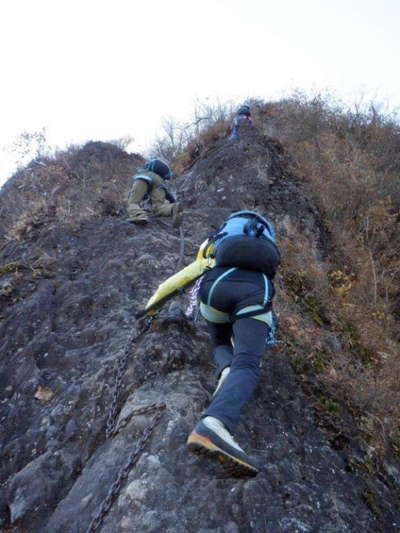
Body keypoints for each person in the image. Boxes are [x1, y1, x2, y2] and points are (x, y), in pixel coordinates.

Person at [138, 210, 281, 477]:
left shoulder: (215, 252)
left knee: (219, 341)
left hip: (214, 289)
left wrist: (150, 311)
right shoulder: (263, 256)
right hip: (254, 290)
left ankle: (225, 369)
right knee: (248, 363)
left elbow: (175, 282)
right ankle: (215, 424)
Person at [127, 158, 180, 224]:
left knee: (133, 202)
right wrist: (173, 201)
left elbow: (135, 195)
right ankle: (173, 208)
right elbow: (166, 192)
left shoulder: (144, 171)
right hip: (159, 180)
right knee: (158, 207)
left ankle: (139, 216)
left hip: (144, 177)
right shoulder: (159, 176)